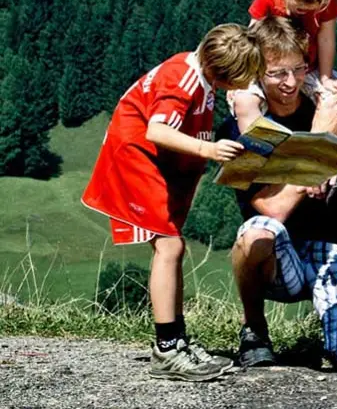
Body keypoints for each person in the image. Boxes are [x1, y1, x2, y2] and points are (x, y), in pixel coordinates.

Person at [81, 24, 264, 382]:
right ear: (220, 72)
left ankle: (176, 340)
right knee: (169, 246)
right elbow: (157, 131)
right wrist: (207, 150)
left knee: (172, 246)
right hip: (134, 157)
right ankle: (166, 348)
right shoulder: (182, 81)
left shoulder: (195, 70)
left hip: (153, 162)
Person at [228, 16, 337, 371]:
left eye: (298, 69)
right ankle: (254, 330)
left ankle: (334, 333)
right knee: (254, 235)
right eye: (277, 73)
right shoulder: (247, 123)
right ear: (256, 73)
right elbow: (267, 208)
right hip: (284, 254)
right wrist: (314, 151)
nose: (291, 82)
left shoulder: (335, 105)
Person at [230, 0, 337, 136]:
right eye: (297, 0)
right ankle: (255, 146)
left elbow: (326, 39)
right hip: (269, 69)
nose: (304, 7)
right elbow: (250, 37)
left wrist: (325, 77)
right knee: (245, 100)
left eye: (313, 2)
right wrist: (244, 75)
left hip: (307, 67)